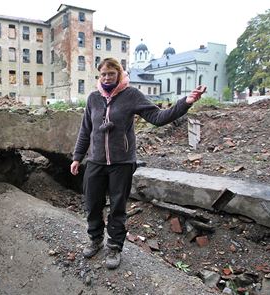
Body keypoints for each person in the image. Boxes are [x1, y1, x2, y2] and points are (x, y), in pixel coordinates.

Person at [70, 57, 206, 269]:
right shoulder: (93, 98)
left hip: (121, 162)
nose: (107, 77)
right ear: (99, 75)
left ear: (120, 74)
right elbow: (85, 129)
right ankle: (95, 239)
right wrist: (77, 157)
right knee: (93, 203)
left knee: (117, 207)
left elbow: (158, 117)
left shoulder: (131, 95)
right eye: (103, 74)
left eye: (111, 73)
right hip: (95, 161)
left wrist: (185, 102)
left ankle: (114, 247)